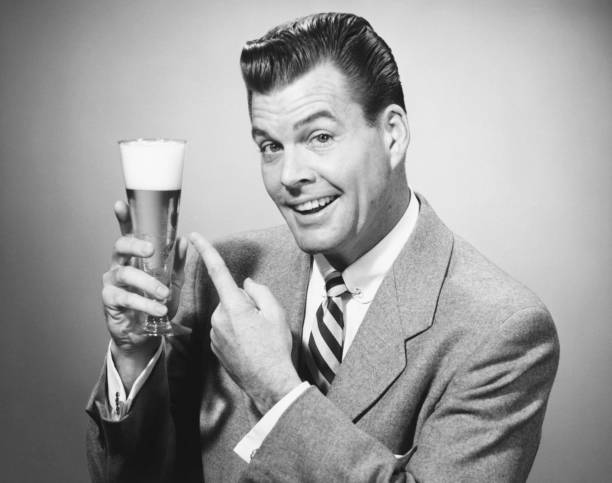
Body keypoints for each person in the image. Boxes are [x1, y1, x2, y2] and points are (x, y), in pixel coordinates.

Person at [86, 12, 559, 483]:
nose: (290, 175)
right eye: (270, 146)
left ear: (392, 134)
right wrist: (132, 357)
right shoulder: (220, 276)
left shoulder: (502, 330)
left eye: (320, 137)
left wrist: (278, 390)